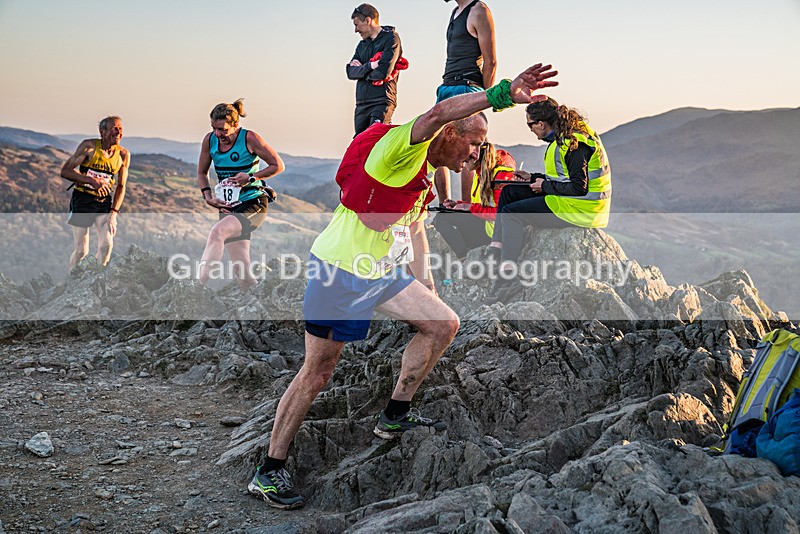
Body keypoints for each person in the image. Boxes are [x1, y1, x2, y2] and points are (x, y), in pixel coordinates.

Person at [246, 63, 559, 510]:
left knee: (442, 324)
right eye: (473, 143)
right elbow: (436, 113)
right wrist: (503, 93)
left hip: (380, 271)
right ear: (450, 134)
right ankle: (269, 470)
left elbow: (415, 228)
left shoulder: (424, 172)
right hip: (340, 271)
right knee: (317, 374)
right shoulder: (401, 149)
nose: (476, 154)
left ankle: (394, 416)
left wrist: (426, 286)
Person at [486, 97, 612, 299]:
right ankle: (497, 247)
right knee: (510, 191)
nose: (530, 130)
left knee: (512, 214)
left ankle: (508, 279)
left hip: (581, 209)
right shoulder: (564, 139)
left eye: (530, 125)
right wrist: (534, 178)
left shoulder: (575, 143)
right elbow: (564, 177)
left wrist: (544, 186)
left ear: (541, 124)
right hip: (571, 201)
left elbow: (579, 188)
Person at [196, 99, 285, 291]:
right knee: (241, 271)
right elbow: (201, 173)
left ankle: (196, 287)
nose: (218, 134)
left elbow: (278, 165)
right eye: (214, 128)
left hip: (253, 203)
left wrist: (251, 177)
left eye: (223, 130)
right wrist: (208, 197)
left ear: (235, 126)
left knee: (217, 232)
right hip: (229, 206)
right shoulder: (209, 140)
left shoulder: (250, 138)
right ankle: (260, 306)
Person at [433, 0, 497, 207]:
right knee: (437, 146)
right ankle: (445, 204)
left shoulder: (479, 11)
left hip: (468, 86)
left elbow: (491, 61)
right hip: (447, 86)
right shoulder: (455, 12)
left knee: (469, 149)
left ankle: (465, 205)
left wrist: (484, 97)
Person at [60, 116, 131, 269]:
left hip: (103, 202)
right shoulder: (89, 147)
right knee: (81, 251)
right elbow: (65, 171)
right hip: (82, 200)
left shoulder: (123, 155)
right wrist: (91, 181)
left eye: (120, 128)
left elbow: (121, 186)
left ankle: (97, 279)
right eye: (113, 128)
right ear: (102, 131)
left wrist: (114, 213)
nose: (118, 132)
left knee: (106, 245)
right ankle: (72, 282)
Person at [432, 141, 517, 259]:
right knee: (444, 216)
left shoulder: (501, 175)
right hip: (487, 226)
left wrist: (470, 208)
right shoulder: (482, 171)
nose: (463, 163)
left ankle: (465, 257)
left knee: (442, 219)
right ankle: (466, 255)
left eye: (465, 160)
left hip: (495, 234)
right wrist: (461, 205)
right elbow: (483, 204)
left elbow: (501, 213)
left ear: (475, 157)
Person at [346, 4, 403, 136]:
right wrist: (370, 66)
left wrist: (361, 71)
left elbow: (383, 72)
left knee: (374, 141)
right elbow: (350, 72)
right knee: (359, 144)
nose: (355, 30)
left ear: (368, 20)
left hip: (381, 101)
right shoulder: (362, 45)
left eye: (357, 24)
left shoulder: (391, 39)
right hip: (362, 103)